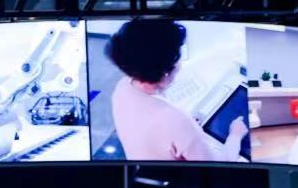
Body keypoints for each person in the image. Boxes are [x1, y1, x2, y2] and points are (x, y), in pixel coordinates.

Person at [105, 18, 248, 162]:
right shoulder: (176, 120)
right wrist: (235, 135)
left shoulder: (122, 87)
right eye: (178, 57)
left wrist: (186, 133)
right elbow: (217, 167)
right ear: (165, 71)